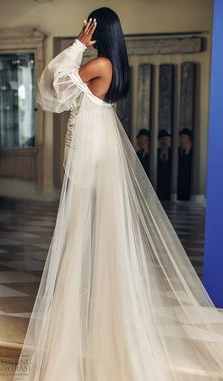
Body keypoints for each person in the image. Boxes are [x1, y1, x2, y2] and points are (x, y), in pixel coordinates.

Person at [13, 7, 223, 381]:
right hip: (99, 141)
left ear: (98, 30)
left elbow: (55, 90)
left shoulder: (100, 64)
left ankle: (82, 311)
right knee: (96, 228)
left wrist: (77, 47)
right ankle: (96, 305)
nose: (85, 31)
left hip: (90, 147)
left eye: (89, 26)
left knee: (79, 227)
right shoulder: (116, 65)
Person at [157, 129, 172, 200]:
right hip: (158, 188)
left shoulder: (173, 153)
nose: (164, 142)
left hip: (170, 187)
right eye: (162, 139)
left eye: (166, 139)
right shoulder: (155, 153)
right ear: (159, 141)